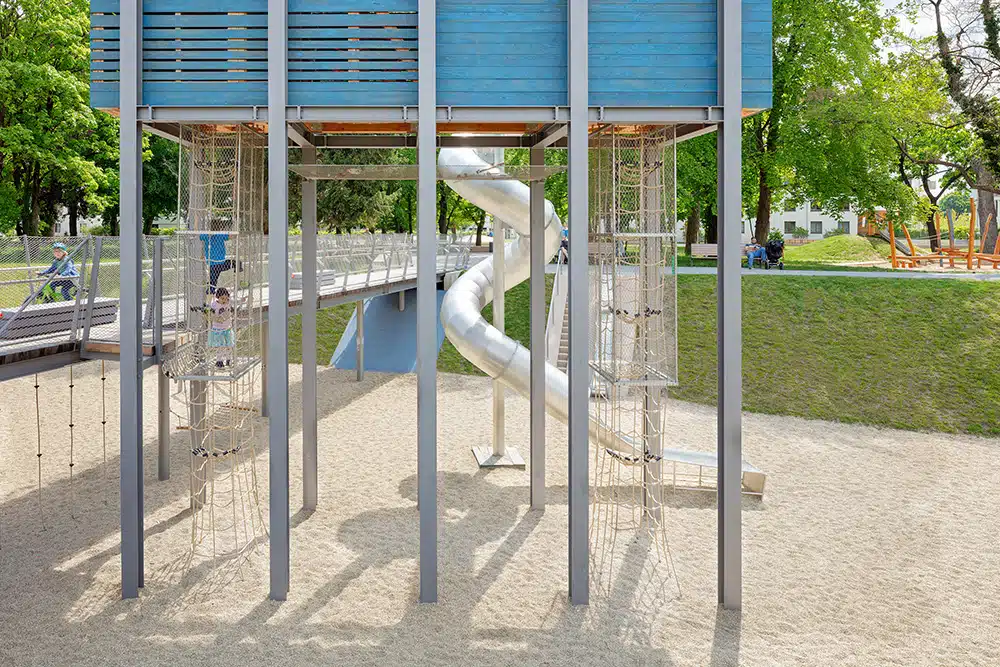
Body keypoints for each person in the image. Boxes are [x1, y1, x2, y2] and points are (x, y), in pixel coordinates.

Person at [200, 225, 233, 294]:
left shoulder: (209, 235)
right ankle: (210, 290)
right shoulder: (217, 235)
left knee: (213, 282)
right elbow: (231, 236)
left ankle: (210, 290)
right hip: (219, 263)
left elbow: (198, 236)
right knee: (213, 281)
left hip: (215, 264)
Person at [207, 287, 235, 368]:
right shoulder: (214, 304)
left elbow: (236, 302)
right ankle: (219, 361)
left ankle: (229, 359)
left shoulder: (228, 303)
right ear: (218, 297)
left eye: (226, 298)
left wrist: (243, 300)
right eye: (222, 298)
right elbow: (209, 313)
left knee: (229, 345)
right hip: (218, 329)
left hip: (227, 328)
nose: (224, 300)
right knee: (220, 346)